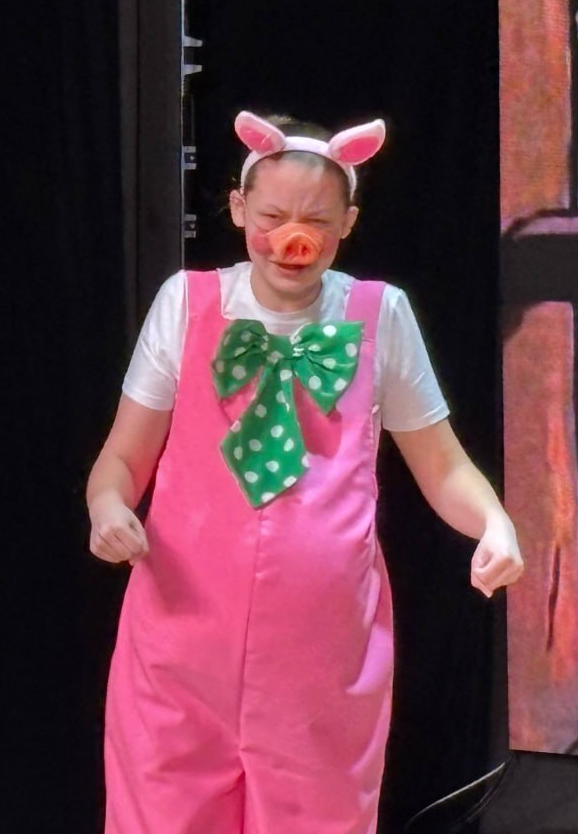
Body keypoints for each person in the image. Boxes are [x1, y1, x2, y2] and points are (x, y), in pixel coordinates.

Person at [85, 110, 523, 834]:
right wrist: (108, 508)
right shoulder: (186, 304)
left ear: (348, 222)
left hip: (320, 659)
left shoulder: (380, 315)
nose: (295, 238)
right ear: (238, 209)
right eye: (273, 216)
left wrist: (495, 524)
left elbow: (444, 467)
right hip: (180, 645)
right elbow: (122, 460)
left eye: (317, 220)